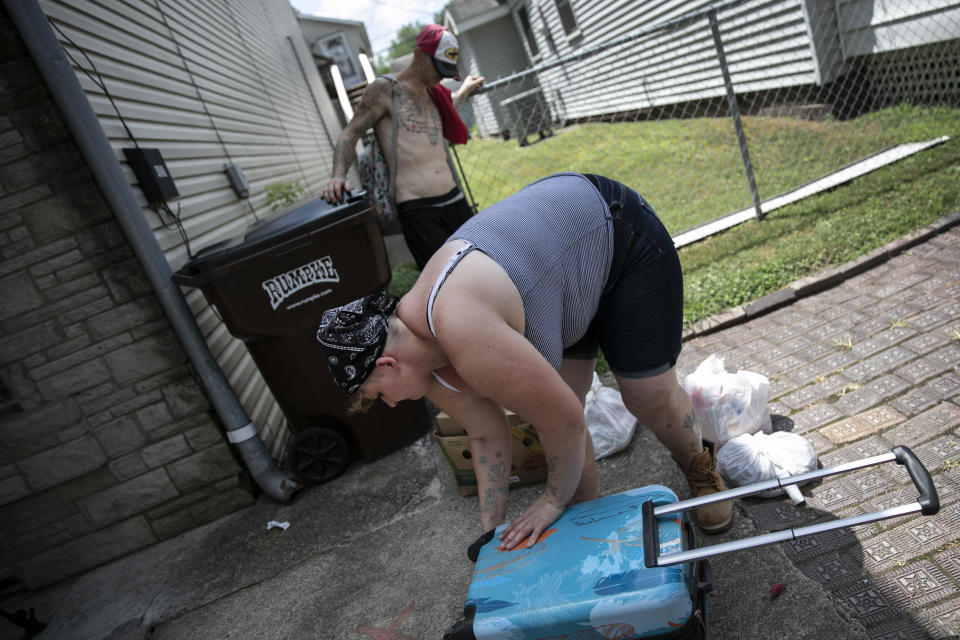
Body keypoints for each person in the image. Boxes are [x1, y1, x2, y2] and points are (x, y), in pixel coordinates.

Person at [316, 173, 733, 553]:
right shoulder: (428, 365)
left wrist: (551, 500)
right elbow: (485, 435)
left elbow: (563, 425)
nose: (389, 403)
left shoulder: (461, 328)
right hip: (562, 280)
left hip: (617, 233)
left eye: (378, 394)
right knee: (562, 404)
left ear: (388, 364)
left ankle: (700, 469)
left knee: (646, 397)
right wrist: (491, 529)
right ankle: (589, 527)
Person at [320, 24, 485, 270]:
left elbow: (447, 111)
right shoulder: (386, 91)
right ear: (419, 54)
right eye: (439, 68)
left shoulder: (434, 93)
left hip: (454, 198)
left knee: (481, 267)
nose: (441, 76)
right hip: (419, 209)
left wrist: (464, 90)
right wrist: (338, 175)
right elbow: (351, 132)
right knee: (444, 283)